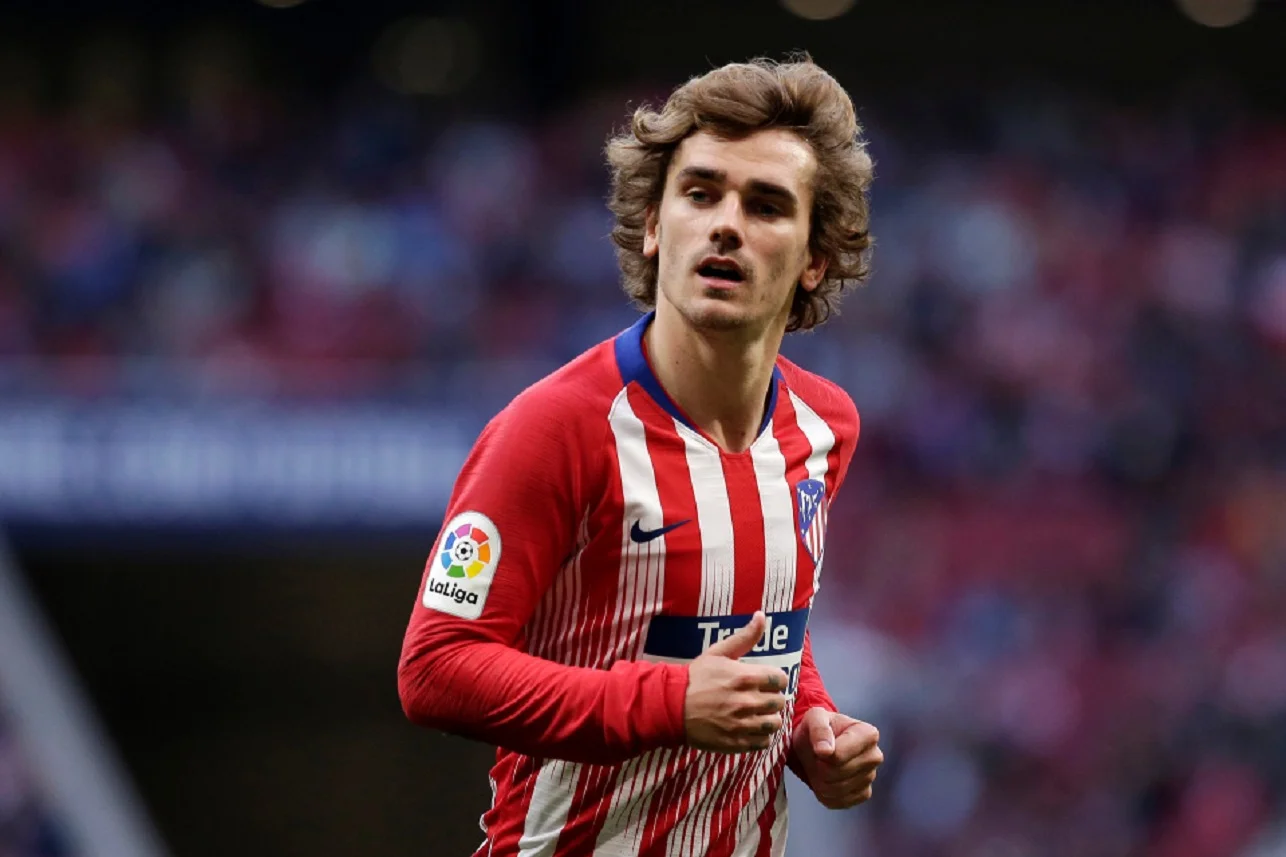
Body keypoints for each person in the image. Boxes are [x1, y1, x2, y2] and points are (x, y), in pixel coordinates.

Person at [399, 55, 883, 856]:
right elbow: (437, 667)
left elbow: (761, 628)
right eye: (700, 193)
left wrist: (810, 727)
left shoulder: (825, 428)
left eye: (766, 205)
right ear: (656, 226)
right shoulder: (555, 427)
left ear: (814, 258)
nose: (726, 223)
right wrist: (667, 702)